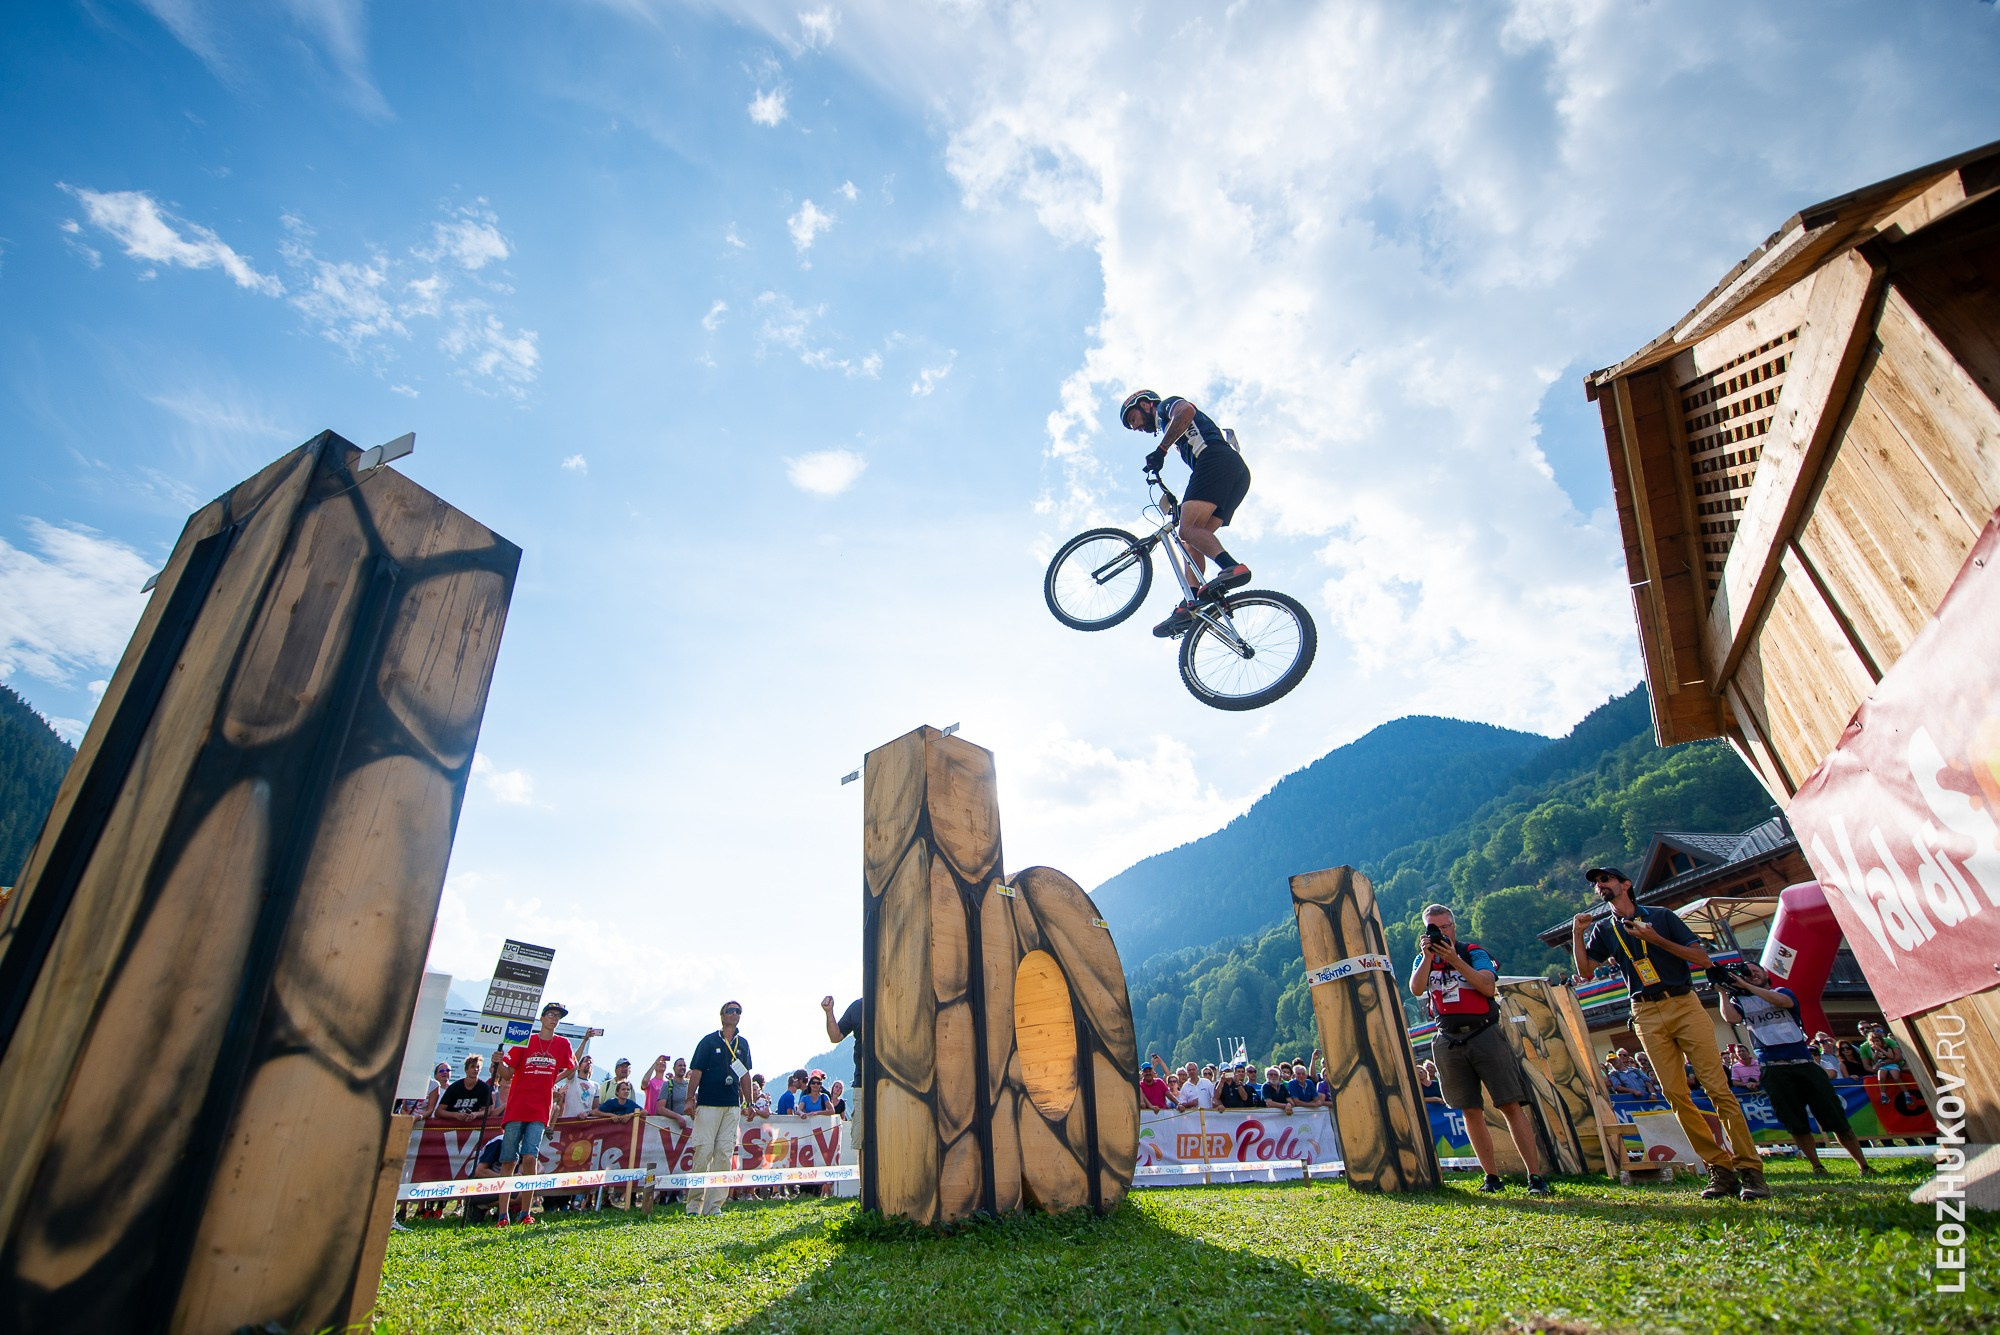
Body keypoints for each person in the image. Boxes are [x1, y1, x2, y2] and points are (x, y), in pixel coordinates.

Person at [1573, 868, 1763, 1201]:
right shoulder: (1604, 929)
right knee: (1675, 1094)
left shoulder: (1661, 916)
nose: (1599, 886)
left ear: (1625, 885)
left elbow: (1701, 958)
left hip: (1683, 1002)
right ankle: (1719, 1168)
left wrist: (1656, 940)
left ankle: (1750, 1169)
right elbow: (1586, 972)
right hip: (1644, 1011)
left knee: (1717, 1087)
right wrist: (1577, 934)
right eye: (1595, 884)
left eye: (1605, 880)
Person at [1409, 903, 1550, 1195]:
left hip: (1484, 1031)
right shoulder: (1423, 959)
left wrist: (1455, 960)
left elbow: (1487, 986)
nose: (1439, 933)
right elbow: (1415, 988)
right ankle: (1491, 1176)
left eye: (1444, 927)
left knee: (1510, 1103)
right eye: (1433, 928)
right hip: (1448, 1036)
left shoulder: (1473, 951)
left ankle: (1534, 1176)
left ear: (1453, 926)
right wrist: (1427, 957)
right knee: (1469, 1109)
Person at [1718, 960, 1877, 1180]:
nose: (1752, 974)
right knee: (1795, 1122)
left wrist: (1748, 986)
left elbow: (1782, 1002)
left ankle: (1863, 1164)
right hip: (1773, 1067)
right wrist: (1722, 992)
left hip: (1803, 1062)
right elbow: (1731, 1018)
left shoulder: (1782, 991)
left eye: (1755, 971)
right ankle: (1816, 1166)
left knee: (1835, 1117)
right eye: (1747, 973)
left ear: (1766, 974)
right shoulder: (1741, 1001)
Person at [1117, 388, 1254, 638]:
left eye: (1133, 420)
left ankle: (1231, 568)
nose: (1135, 428)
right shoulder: (1176, 432)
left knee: (1188, 531)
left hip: (1214, 459)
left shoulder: (1166, 407)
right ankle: (1191, 601)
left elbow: (1186, 410)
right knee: (1192, 538)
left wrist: (1161, 451)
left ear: (1145, 405)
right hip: (1235, 472)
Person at [493, 1001, 577, 1227]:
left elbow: (572, 1067)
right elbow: (507, 1073)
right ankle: (503, 1215)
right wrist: (497, 1063)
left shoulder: (562, 1043)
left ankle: (525, 1212)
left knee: (530, 1157)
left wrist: (553, 1080)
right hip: (517, 1106)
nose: (553, 1019)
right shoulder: (526, 1040)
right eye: (550, 1014)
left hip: (540, 1109)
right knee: (508, 1161)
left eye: (557, 1016)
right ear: (542, 1018)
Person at [685, 1000, 752, 1216]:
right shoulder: (708, 1041)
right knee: (703, 1152)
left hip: (731, 1106)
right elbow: (696, 1071)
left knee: (724, 1154)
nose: (734, 1014)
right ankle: (694, 1206)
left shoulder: (743, 1044)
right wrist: (689, 1099)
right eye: (730, 1011)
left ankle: (714, 1207)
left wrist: (749, 1103)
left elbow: (745, 1075)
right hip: (707, 1104)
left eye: (738, 1011)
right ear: (722, 1016)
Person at [434, 1055, 493, 1123]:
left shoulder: (484, 1088)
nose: (475, 1069)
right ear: (466, 1070)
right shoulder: (454, 1087)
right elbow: (439, 1111)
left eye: (477, 1067)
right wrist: (455, 1115)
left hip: (473, 1126)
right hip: (452, 1125)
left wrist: (475, 1114)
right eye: (472, 1067)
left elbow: (487, 1110)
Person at [559, 1054, 600, 1121]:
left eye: (590, 1062)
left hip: (585, 1123)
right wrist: (584, 1043)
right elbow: (573, 1062)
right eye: (586, 1061)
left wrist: (587, 1113)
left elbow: (596, 1108)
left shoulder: (596, 1085)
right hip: (568, 1121)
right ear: (579, 1067)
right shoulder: (572, 1079)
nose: (588, 1063)